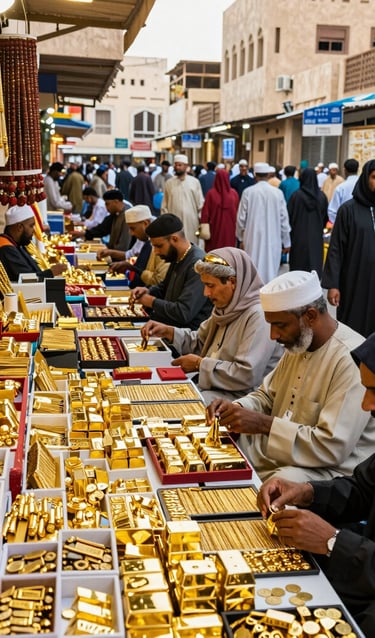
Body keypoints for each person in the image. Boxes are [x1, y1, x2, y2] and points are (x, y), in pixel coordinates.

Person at [257, 331, 375, 637]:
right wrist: (309, 492)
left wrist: (334, 541)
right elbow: (362, 489)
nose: (366, 405)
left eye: (374, 391)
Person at [207, 269, 375, 482]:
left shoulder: (350, 359)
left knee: (281, 484)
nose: (273, 335)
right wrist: (237, 410)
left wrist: (262, 424)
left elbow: (332, 447)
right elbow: (266, 396)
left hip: (334, 470)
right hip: (282, 450)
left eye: (280, 325)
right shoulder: (299, 344)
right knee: (218, 446)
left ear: (311, 316)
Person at [140, 248, 281, 404]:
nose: (206, 293)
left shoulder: (259, 316)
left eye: (210, 285)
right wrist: (169, 332)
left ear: (232, 282)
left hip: (241, 399)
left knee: (164, 404)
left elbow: (246, 374)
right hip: (210, 387)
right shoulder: (225, 307)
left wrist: (199, 364)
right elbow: (200, 342)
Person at [130, 213, 212, 329]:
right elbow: (165, 287)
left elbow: (184, 312)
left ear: (174, 239)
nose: (156, 252)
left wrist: (151, 301)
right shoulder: (178, 256)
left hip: (187, 339)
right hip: (169, 329)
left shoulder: (197, 264)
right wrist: (148, 291)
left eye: (159, 246)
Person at [322, 159, 375, 338]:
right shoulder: (348, 210)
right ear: (366, 179)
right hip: (354, 279)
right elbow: (336, 248)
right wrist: (333, 285)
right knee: (353, 329)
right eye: (374, 177)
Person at [236, 162, 291, 284]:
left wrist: (240, 238)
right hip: (273, 239)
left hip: (252, 238)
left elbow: (241, 219)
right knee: (270, 271)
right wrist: (287, 241)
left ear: (255, 175)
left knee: (252, 270)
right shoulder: (277, 193)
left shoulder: (248, 192)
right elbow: (284, 220)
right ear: (268, 175)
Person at [0, 205, 67, 281]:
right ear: (19, 227)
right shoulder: (6, 248)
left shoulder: (18, 245)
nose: (34, 230)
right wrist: (51, 272)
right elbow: (26, 279)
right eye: (31, 226)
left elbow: (34, 272)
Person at [108, 205, 169, 288]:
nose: (131, 233)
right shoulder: (145, 239)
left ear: (146, 223)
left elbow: (158, 280)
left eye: (133, 229)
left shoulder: (161, 243)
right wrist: (130, 267)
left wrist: (132, 268)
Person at [287, 167, 328, 277]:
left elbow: (289, 218)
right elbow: (325, 218)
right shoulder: (322, 197)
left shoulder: (296, 196)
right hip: (316, 238)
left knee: (298, 272)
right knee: (313, 271)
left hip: (298, 238)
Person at [72, 190, 131, 257]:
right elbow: (102, 229)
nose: (106, 207)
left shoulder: (128, 214)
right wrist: (84, 233)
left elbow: (124, 244)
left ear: (116, 202)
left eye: (107, 204)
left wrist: (111, 253)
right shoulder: (114, 213)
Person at [161, 154, 204, 244]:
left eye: (180, 165)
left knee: (191, 245)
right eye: (176, 165)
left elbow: (200, 203)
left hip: (191, 222)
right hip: (174, 223)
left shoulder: (194, 182)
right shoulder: (169, 183)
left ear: (186, 166)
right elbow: (164, 205)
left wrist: (201, 220)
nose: (177, 167)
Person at [199, 169, 239, 250]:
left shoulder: (211, 194)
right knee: (229, 250)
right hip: (230, 230)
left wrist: (203, 223)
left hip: (214, 229)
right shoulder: (234, 194)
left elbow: (205, 213)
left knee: (215, 250)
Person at [327, 158, 359, 224]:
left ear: (345, 170)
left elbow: (332, 211)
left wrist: (341, 224)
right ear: (358, 169)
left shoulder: (341, 187)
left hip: (345, 225)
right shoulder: (365, 185)